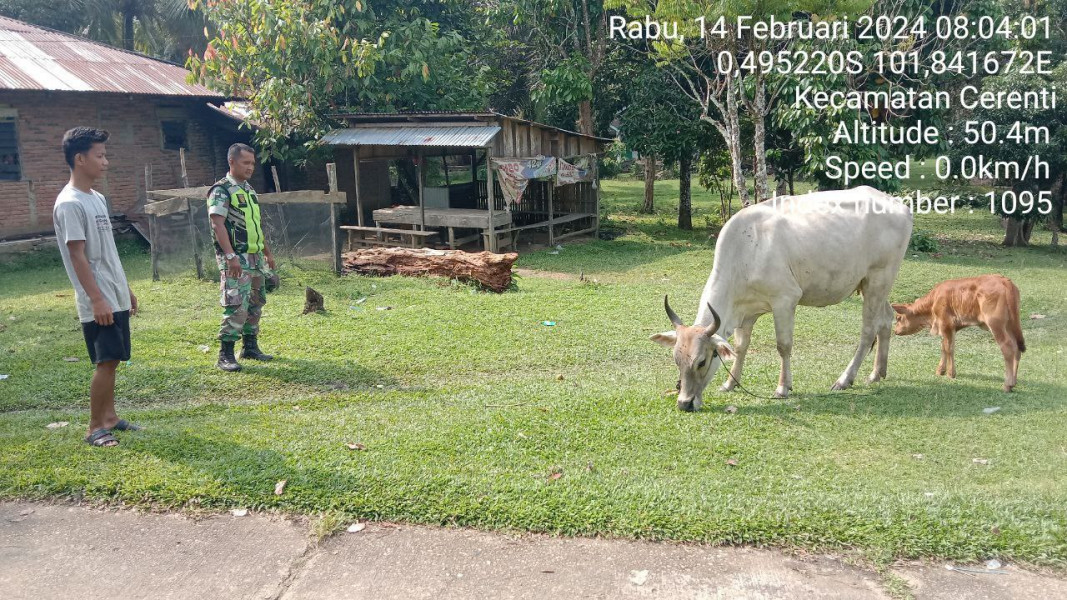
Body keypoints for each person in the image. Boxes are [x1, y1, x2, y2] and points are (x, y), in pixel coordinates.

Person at [53, 127, 140, 447]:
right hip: (97, 299)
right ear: (80, 158)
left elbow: (108, 252)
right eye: (99, 156)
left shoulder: (97, 198)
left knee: (114, 358)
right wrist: (97, 299)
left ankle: (110, 418)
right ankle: (93, 428)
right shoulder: (69, 203)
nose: (106, 162)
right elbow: (77, 256)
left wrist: (124, 288)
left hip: (113, 292)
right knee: (105, 362)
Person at [207, 143, 276, 371]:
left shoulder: (248, 190)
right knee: (236, 304)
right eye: (245, 162)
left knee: (256, 302)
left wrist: (267, 253)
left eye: (252, 163)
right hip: (236, 259)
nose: (250, 167)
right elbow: (218, 225)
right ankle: (225, 355)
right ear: (232, 161)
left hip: (255, 258)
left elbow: (255, 225)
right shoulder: (221, 190)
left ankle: (250, 346)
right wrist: (230, 256)